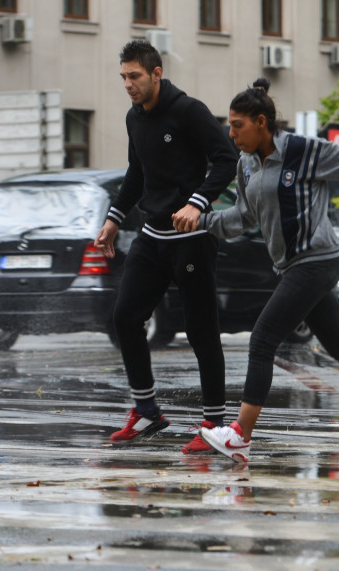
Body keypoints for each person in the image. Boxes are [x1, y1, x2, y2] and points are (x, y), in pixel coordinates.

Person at [183, 78, 339, 462]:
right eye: (229, 126)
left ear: (261, 122)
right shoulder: (246, 166)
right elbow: (243, 218)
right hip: (291, 267)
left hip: (317, 261)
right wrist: (201, 221)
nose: (231, 134)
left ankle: (240, 434)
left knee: (262, 340)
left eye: (237, 125)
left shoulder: (304, 151)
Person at [93, 40, 239, 453]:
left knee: (200, 331)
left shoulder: (188, 111)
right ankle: (147, 411)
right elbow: (136, 172)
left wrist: (197, 203)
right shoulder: (134, 117)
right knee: (125, 317)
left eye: (134, 76)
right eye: (123, 77)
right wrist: (113, 219)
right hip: (153, 236)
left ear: (156, 73)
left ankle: (214, 424)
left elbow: (226, 159)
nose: (128, 84)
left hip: (191, 240)